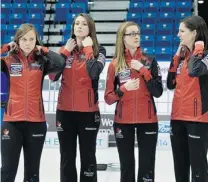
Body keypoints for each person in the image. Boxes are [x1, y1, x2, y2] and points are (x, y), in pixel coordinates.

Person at [0, 23, 65, 182]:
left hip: (36, 122)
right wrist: (6, 47)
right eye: (24, 39)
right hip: (11, 123)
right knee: (7, 171)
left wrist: (43, 49)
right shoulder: (7, 60)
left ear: (36, 41)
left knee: (32, 173)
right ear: (17, 41)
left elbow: (60, 63)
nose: (27, 43)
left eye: (31, 39)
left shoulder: (42, 61)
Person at [49, 13, 106, 182]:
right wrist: (65, 53)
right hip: (65, 113)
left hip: (88, 113)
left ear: (90, 28)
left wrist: (88, 49)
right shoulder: (63, 51)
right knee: (66, 157)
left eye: (83, 24)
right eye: (76, 23)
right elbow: (53, 77)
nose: (79, 26)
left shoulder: (98, 50)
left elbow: (94, 72)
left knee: (88, 157)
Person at [104, 21, 163, 182]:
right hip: (123, 122)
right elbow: (108, 98)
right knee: (127, 166)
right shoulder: (115, 64)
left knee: (147, 166)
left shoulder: (150, 61)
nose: (136, 36)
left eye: (138, 33)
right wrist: (124, 89)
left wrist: (143, 70)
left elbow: (158, 92)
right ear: (123, 38)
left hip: (148, 120)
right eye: (132, 34)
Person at [167, 15, 208, 182]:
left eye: (182, 31)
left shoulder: (204, 56)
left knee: (198, 170)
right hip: (177, 118)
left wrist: (198, 50)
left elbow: (195, 71)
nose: (178, 35)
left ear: (194, 33)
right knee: (180, 168)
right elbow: (170, 83)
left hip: (197, 119)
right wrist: (177, 57)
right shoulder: (183, 58)